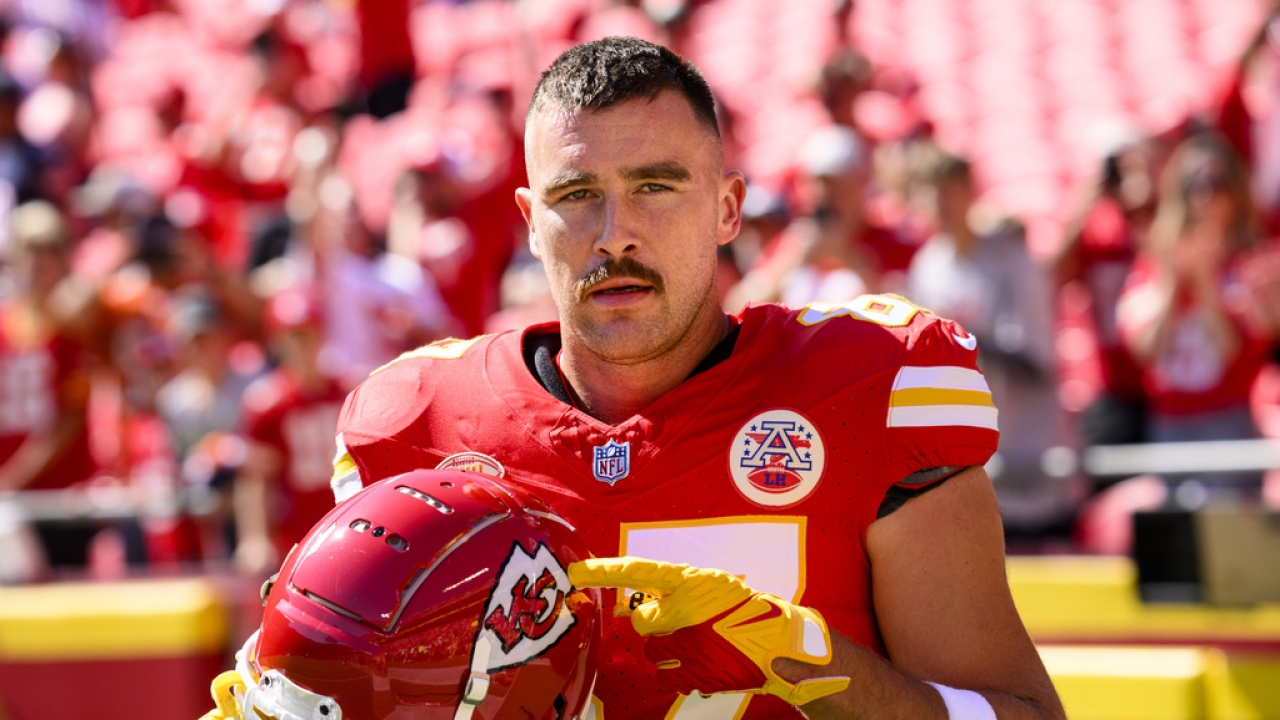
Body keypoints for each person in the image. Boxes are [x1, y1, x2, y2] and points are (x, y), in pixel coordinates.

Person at [324, 37, 1062, 720]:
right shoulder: (413, 425)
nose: (615, 233)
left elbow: (1020, 712)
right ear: (529, 220)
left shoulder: (870, 388)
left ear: (727, 208)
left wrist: (811, 662)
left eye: (655, 186)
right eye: (576, 194)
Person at [906, 150, 1078, 541]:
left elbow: (1036, 362)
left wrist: (961, 336)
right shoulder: (928, 265)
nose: (940, 203)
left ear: (970, 193)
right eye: (931, 192)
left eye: (949, 191)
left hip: (1027, 459)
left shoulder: (1014, 262)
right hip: (967, 467)